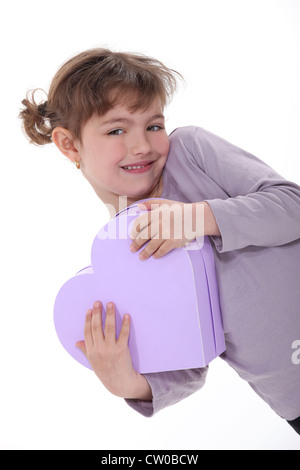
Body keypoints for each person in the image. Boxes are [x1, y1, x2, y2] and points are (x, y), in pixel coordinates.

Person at [19, 48, 300, 435]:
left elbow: (292, 206)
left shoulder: (191, 151)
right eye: (117, 130)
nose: (143, 146)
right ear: (69, 145)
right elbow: (191, 356)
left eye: (153, 125)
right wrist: (127, 382)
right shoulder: (124, 248)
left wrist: (198, 217)